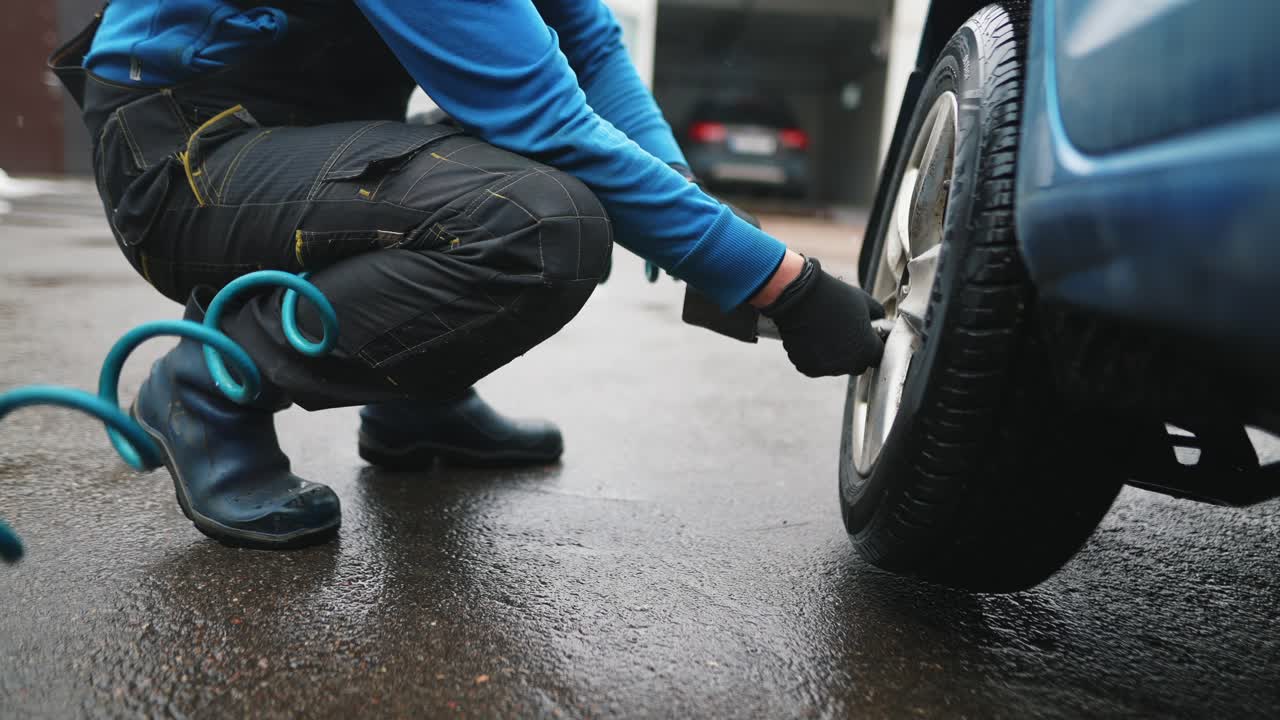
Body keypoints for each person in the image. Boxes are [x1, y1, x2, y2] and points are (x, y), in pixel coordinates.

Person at [49, 0, 885, 549]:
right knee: (534, 222)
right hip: (187, 156)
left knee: (516, 181)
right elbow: (549, 121)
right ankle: (208, 385)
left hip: (309, 135)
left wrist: (679, 194)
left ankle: (418, 402)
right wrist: (787, 285)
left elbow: (587, 40)